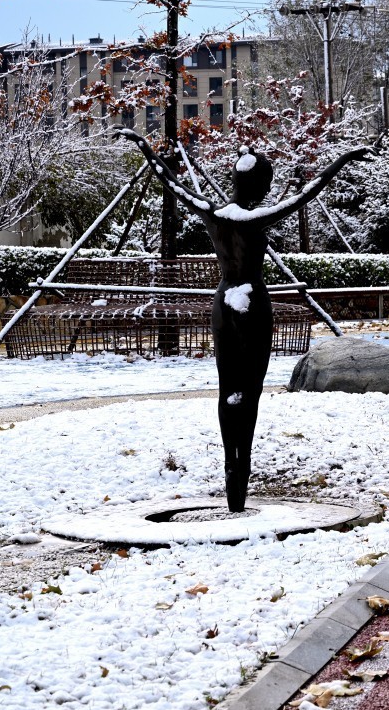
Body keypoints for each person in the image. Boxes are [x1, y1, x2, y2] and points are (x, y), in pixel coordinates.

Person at [117, 129, 372, 511]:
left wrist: (143, 145)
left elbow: (171, 183)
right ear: (262, 187)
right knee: (249, 391)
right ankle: (241, 472)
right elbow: (309, 192)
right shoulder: (258, 218)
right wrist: (344, 159)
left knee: (227, 389)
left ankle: (230, 473)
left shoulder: (212, 213)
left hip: (223, 302)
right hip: (251, 301)